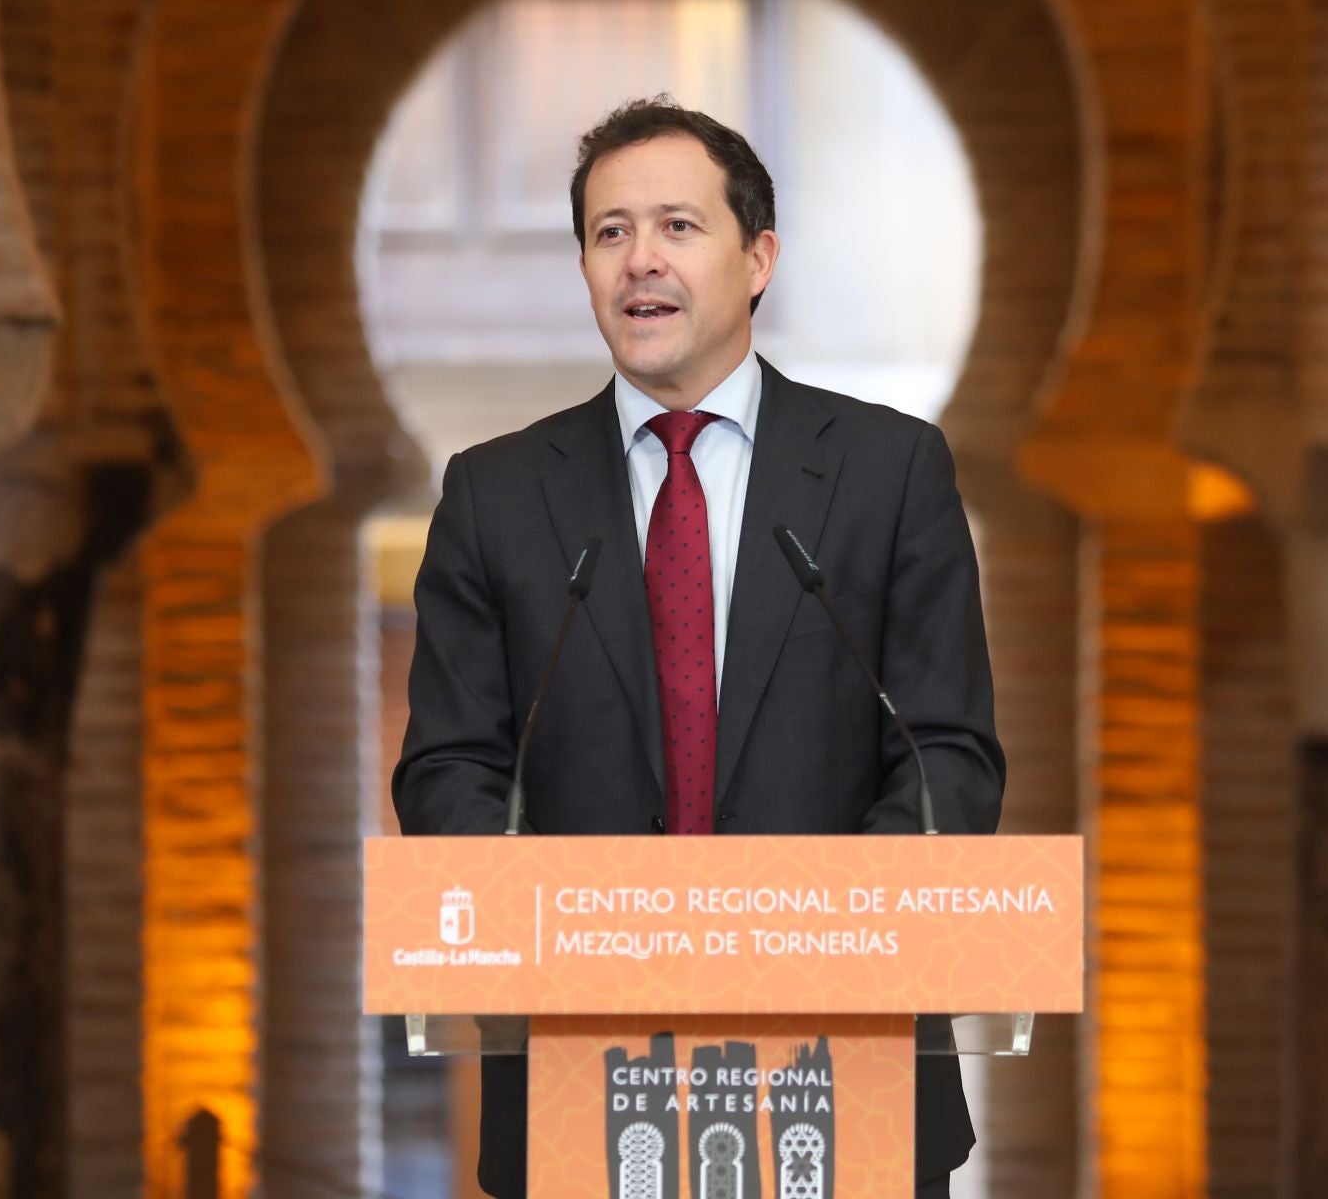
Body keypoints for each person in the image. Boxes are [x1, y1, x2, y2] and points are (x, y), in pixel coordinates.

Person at [392, 95, 1006, 1199]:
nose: (641, 259)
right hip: (579, 1067)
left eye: (677, 225)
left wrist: (821, 930)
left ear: (758, 258)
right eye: (610, 232)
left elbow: (947, 755)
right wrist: (568, 928)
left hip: (846, 1059)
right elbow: (448, 768)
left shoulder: (890, 471)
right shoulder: (494, 495)